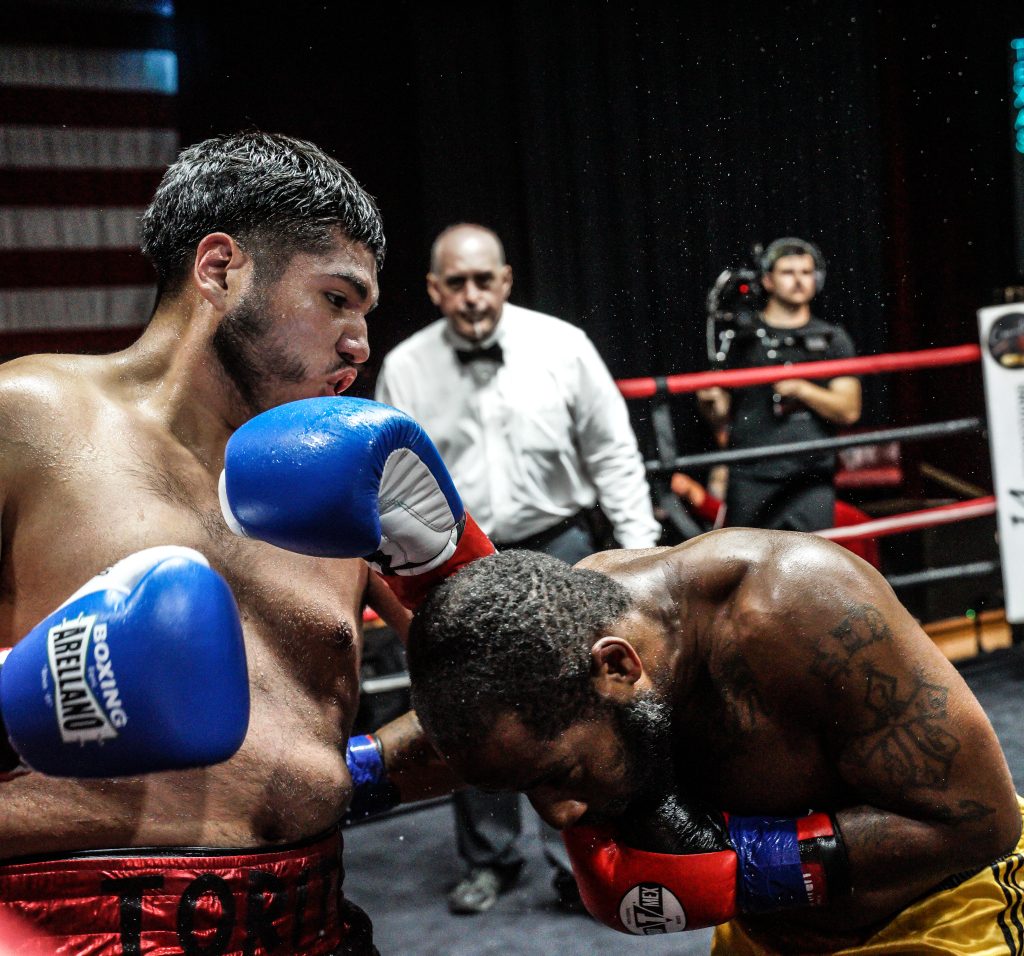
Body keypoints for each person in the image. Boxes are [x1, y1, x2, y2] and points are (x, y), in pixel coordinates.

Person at [0, 131, 402, 954]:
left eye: (365, 313)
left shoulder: (345, 479)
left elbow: (504, 684)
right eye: (336, 298)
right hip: (63, 926)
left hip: (312, 918)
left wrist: (353, 773)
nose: (359, 343)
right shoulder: (28, 417)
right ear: (220, 269)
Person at [405, 543, 1024, 954]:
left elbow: (982, 822)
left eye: (560, 774)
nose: (560, 815)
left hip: (941, 922)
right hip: (765, 940)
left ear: (618, 667)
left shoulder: (801, 611)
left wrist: (744, 864)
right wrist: (360, 769)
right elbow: (485, 737)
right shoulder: (553, 644)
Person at [374, 223, 662, 914]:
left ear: (505, 279)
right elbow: (388, 478)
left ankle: (583, 862)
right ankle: (489, 859)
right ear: (435, 289)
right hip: (456, 559)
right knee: (463, 708)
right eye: (457, 283)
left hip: (560, 543)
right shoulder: (407, 367)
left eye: (484, 280)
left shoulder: (563, 345)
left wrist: (641, 552)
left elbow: (613, 451)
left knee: (581, 704)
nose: (472, 295)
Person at [698, 237, 862, 531]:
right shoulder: (740, 338)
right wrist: (709, 401)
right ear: (768, 280)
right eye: (788, 272)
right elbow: (720, 416)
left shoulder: (833, 338)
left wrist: (802, 389)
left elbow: (849, 410)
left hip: (809, 476)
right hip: (750, 473)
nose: (798, 280)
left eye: (806, 272)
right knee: (746, 556)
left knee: (811, 557)